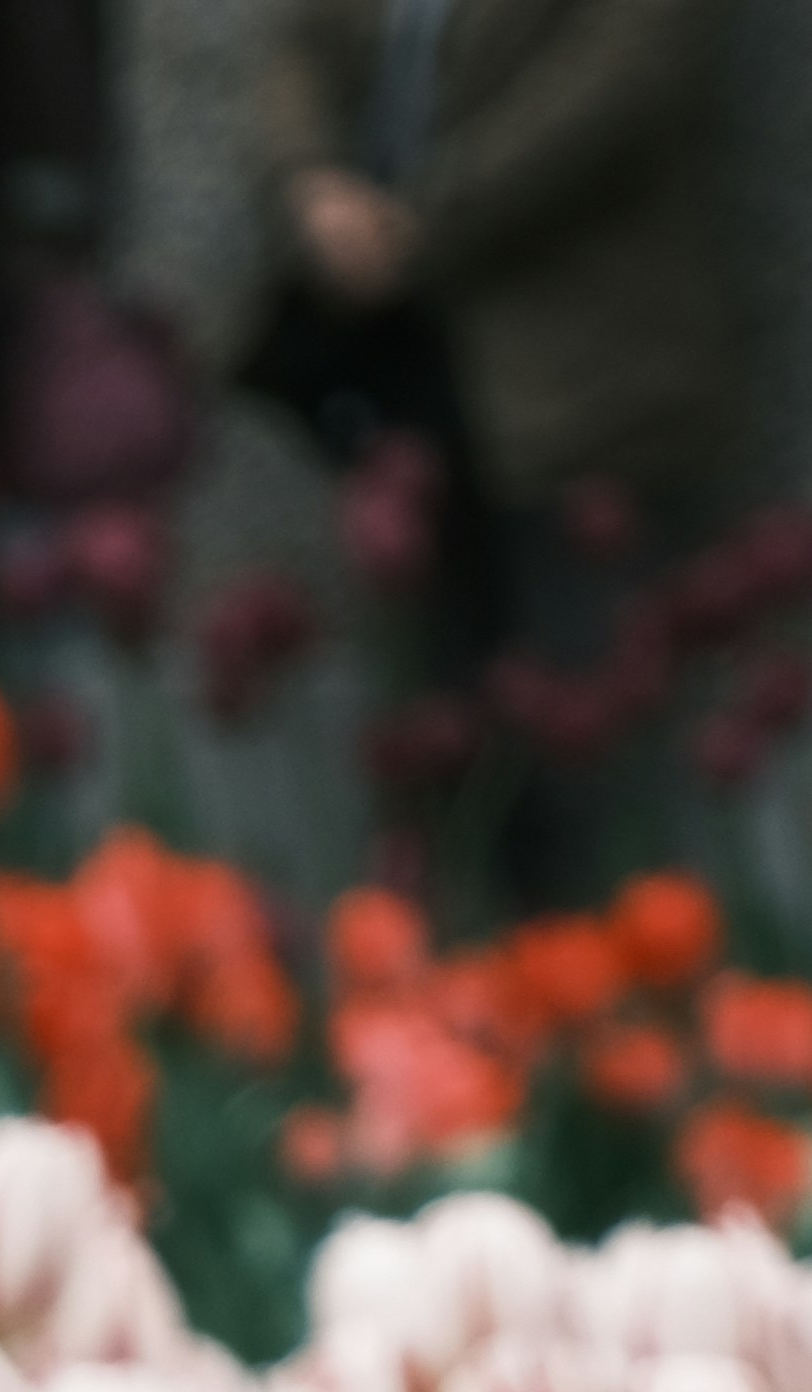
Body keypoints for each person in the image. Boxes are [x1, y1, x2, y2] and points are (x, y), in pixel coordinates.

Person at [246, 0, 733, 809]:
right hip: (401, 345)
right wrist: (311, 184)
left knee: (575, 693)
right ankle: (444, 915)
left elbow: (628, 73)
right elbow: (300, 45)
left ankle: (575, 922)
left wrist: (426, 214)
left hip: (574, 343)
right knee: (432, 692)